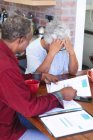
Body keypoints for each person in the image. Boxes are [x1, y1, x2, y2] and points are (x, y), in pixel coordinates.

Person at [0, 15, 77, 140]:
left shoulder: (5, 55)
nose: (29, 44)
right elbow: (29, 108)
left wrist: (38, 76)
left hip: (12, 117)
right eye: (28, 40)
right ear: (20, 40)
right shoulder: (6, 66)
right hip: (6, 131)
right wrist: (60, 95)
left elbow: (13, 80)